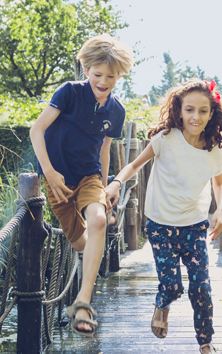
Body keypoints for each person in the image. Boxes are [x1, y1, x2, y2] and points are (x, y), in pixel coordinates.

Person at [105, 79, 222, 354]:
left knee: (201, 287)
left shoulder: (216, 149)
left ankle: (206, 343)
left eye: (203, 111)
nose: (195, 117)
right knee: (173, 285)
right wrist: (116, 183)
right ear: (178, 110)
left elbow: (219, 184)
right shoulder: (165, 139)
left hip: (194, 226)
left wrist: (221, 211)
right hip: (160, 225)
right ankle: (162, 304)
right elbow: (134, 165)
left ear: (212, 113)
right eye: (189, 109)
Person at [29, 33, 133, 338]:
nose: (103, 81)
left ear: (120, 75)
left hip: (89, 176)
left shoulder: (117, 111)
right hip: (58, 180)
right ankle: (96, 235)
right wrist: (48, 172)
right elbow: (37, 130)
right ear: (86, 70)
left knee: (98, 220)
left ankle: (83, 302)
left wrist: (104, 187)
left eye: (111, 76)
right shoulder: (69, 93)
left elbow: (103, 150)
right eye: (98, 74)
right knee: (82, 245)